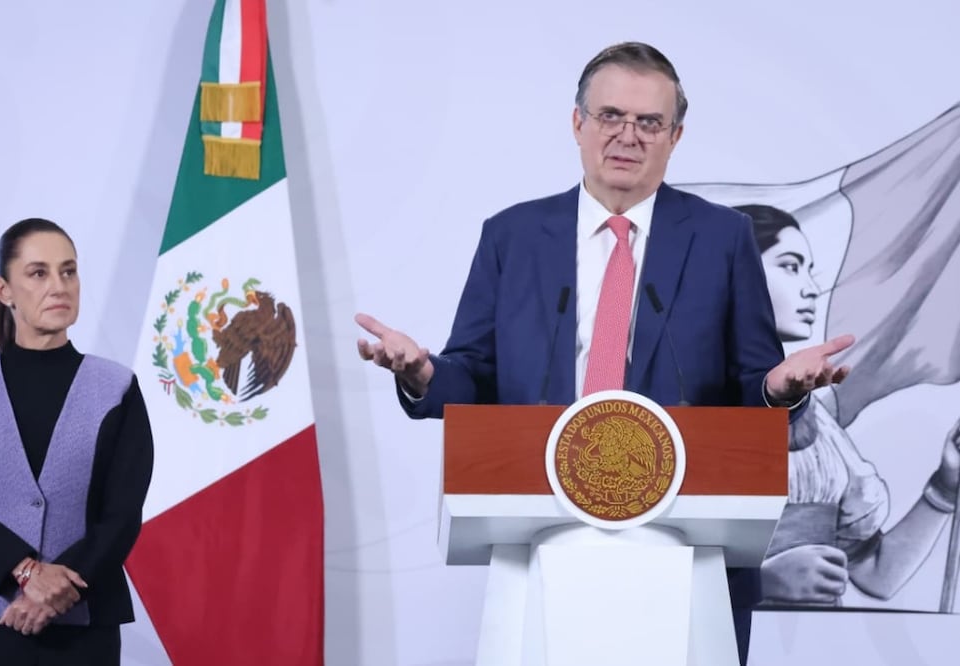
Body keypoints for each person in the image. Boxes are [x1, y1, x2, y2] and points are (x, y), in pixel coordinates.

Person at [354, 41, 854, 666]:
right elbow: (474, 378)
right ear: (577, 123)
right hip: (543, 532)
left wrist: (779, 390)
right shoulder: (513, 236)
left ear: (675, 137)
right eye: (610, 116)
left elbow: (753, 385)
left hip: (689, 540)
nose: (628, 136)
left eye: (650, 122)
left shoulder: (723, 238)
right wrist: (424, 374)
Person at [0, 218, 154, 665]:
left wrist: (60, 588)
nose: (59, 286)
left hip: (84, 629)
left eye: (68, 271)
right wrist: (25, 572)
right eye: (38, 273)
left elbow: (123, 512)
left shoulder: (116, 388)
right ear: (3, 289)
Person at [740, 203, 960, 607]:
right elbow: (641, 569)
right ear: (735, 274)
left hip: (815, 639)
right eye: (790, 266)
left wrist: (946, 483)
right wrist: (760, 583)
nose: (811, 288)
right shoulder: (682, 401)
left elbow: (876, 573)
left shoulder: (819, 425)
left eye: (809, 270)